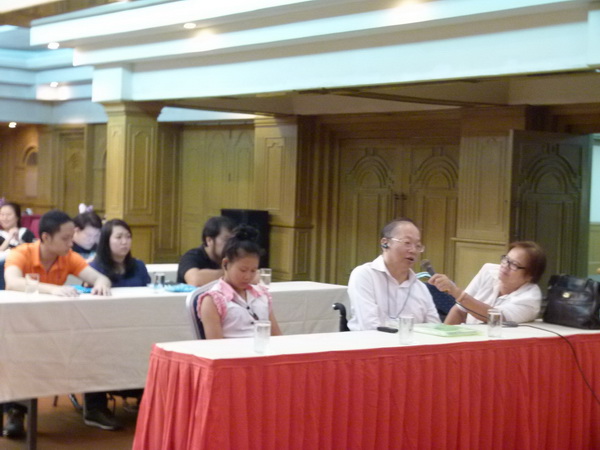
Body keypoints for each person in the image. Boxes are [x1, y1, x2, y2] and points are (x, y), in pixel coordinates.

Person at [3, 209, 111, 438]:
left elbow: (99, 277)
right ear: (45, 237)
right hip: (17, 327)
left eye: (72, 238)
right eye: (65, 238)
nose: (71, 244)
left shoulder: (68, 256)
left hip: (53, 327)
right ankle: (15, 411)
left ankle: (95, 407)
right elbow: (12, 283)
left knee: (92, 345)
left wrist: (102, 283)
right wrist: (52, 289)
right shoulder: (21, 252)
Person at [80, 219, 149, 430]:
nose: (124, 242)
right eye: (118, 237)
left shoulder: (138, 266)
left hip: (135, 325)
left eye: (128, 237)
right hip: (103, 329)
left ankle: (143, 396)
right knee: (96, 350)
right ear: (106, 241)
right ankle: (95, 408)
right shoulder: (94, 268)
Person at [347, 218, 440, 331]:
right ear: (385, 243)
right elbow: (369, 327)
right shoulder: (365, 275)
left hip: (412, 341)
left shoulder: (420, 288)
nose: (413, 250)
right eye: (407, 243)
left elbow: (435, 329)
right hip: (370, 341)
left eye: (418, 246)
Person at [430, 241, 546, 325]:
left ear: (529, 276)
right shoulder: (489, 271)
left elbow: (493, 317)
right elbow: (460, 310)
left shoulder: (530, 298)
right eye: (506, 259)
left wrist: (455, 291)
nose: (505, 266)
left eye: (514, 264)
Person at [198, 225, 282, 339]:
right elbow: (215, 345)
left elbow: (278, 337)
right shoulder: (213, 300)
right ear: (225, 264)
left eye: (253, 271)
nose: (248, 277)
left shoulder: (261, 295)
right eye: (243, 270)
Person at [177, 216, 235, 286]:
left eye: (233, 240)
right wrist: (233, 273)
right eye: (226, 240)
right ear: (209, 240)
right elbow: (195, 280)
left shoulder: (234, 258)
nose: (230, 244)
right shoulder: (191, 256)